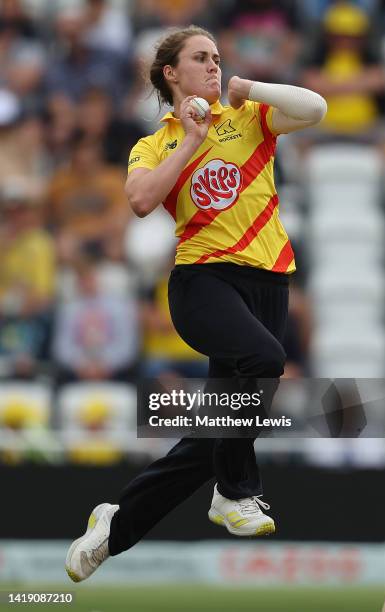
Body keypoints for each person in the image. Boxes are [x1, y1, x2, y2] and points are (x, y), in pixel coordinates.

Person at [65, 25, 327, 583]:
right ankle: (235, 492)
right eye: (200, 58)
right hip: (204, 282)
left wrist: (248, 85)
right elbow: (139, 201)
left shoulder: (249, 115)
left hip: (271, 282)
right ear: (171, 73)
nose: (213, 65)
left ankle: (114, 527)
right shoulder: (154, 141)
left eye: (216, 57)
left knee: (213, 434)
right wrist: (188, 138)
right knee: (265, 360)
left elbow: (316, 107)